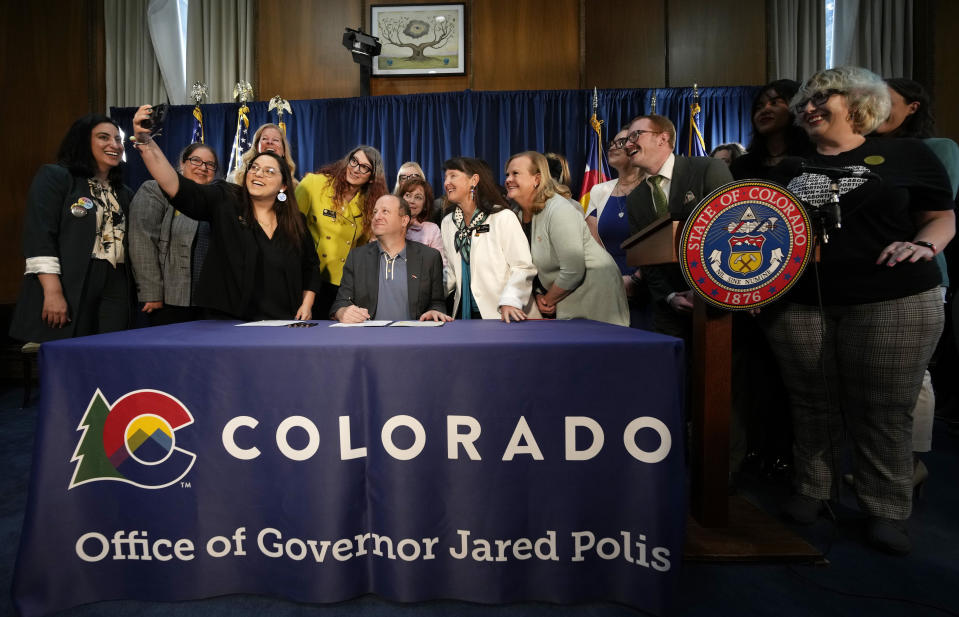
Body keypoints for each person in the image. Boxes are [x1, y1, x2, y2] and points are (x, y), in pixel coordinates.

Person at [762, 67, 954, 555]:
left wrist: (925, 247)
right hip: (801, 302)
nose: (809, 106)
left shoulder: (910, 154)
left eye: (824, 96)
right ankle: (814, 490)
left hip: (894, 300)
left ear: (861, 102)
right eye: (806, 99)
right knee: (810, 403)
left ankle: (886, 508)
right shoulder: (788, 167)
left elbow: (939, 216)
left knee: (884, 410)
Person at [132, 105, 321, 321]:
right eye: (255, 168)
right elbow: (178, 187)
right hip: (226, 321)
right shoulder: (226, 199)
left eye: (269, 171)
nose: (259, 174)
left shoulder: (296, 221)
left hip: (283, 321)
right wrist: (145, 142)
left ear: (283, 186)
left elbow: (310, 267)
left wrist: (307, 304)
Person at [873, 77, 959, 498]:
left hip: (918, 274)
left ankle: (910, 466)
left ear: (912, 107)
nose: (874, 107)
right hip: (867, 277)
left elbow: (941, 209)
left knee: (913, 376)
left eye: (885, 101)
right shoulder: (858, 152)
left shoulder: (938, 148)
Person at [10, 114, 134, 342]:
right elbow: (39, 237)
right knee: (71, 353)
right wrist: (52, 291)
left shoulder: (124, 192)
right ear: (83, 142)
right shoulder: (56, 177)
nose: (114, 145)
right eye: (103, 137)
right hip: (71, 279)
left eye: (118, 139)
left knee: (112, 351)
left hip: (117, 281)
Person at [624, 113, 733, 337]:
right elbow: (646, 258)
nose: (627, 144)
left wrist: (704, 289)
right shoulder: (635, 198)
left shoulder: (707, 169)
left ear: (662, 138)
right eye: (625, 139)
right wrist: (669, 296)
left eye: (635, 135)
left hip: (718, 305)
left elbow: (731, 231)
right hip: (669, 313)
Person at [506, 152, 629, 326]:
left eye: (515, 173)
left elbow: (573, 269)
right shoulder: (518, 214)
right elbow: (528, 264)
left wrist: (548, 299)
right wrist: (539, 294)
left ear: (537, 179)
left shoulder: (558, 209)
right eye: (507, 174)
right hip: (563, 295)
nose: (508, 179)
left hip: (594, 294)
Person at [129, 143, 219, 325]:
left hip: (209, 302)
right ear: (182, 163)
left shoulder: (218, 198)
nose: (203, 167)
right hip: (169, 299)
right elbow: (142, 241)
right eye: (196, 160)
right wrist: (151, 292)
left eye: (210, 164)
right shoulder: (155, 190)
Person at [440, 157, 537, 322]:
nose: (446, 182)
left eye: (453, 176)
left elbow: (522, 267)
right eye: (445, 177)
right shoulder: (448, 222)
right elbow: (452, 273)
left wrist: (510, 301)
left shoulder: (502, 217)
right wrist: (427, 297)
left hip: (504, 315)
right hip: (463, 316)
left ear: (474, 180)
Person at [295, 146, 388, 318]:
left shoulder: (368, 205)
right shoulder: (314, 184)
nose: (355, 169)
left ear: (372, 178)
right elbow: (291, 226)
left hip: (340, 286)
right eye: (354, 161)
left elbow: (360, 251)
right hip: (305, 278)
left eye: (364, 167)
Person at [331, 194, 450, 323]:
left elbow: (437, 302)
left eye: (385, 211)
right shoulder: (357, 257)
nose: (377, 217)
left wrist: (435, 311)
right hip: (368, 339)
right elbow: (341, 302)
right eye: (375, 212)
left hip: (414, 339)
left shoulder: (429, 257)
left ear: (404, 221)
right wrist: (342, 312)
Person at [585, 127, 647, 326]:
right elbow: (592, 243)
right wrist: (612, 279)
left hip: (647, 286)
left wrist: (635, 280)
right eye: (611, 143)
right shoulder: (598, 190)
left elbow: (662, 242)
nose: (612, 147)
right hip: (607, 285)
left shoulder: (655, 188)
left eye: (620, 142)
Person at [730, 79, 812, 181]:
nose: (764, 110)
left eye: (774, 103)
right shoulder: (740, 166)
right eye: (759, 107)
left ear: (797, 107)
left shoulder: (813, 162)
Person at [398, 176, 447, 273]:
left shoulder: (431, 229)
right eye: (408, 195)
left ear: (425, 205)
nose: (411, 201)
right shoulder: (389, 223)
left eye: (418, 197)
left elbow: (440, 264)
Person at [231, 123, 298, 186]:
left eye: (275, 140)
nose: (270, 142)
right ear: (257, 147)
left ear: (284, 150)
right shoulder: (235, 179)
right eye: (265, 138)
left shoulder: (294, 186)